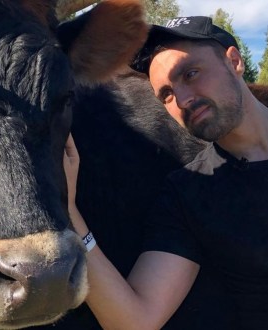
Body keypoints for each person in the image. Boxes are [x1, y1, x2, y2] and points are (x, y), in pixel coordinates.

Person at [63, 16, 268, 330]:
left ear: (235, 61)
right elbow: (135, 321)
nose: (183, 99)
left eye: (191, 73)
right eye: (166, 95)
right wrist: (69, 211)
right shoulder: (191, 193)